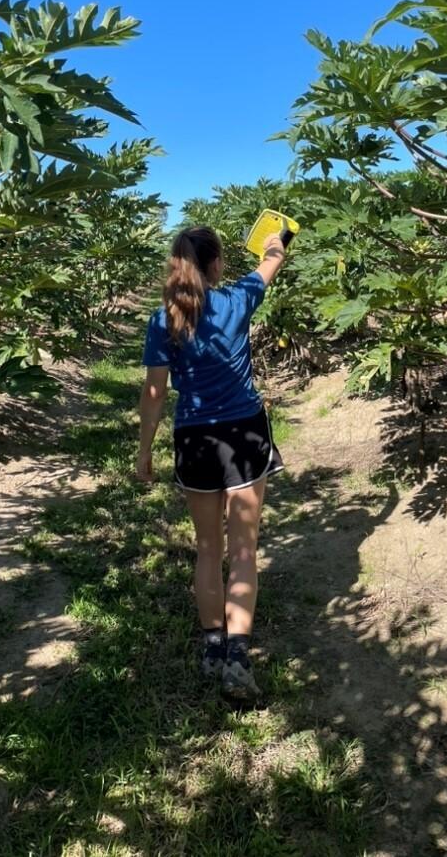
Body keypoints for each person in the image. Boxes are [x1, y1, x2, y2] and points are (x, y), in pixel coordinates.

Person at [136, 225, 287, 700]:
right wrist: (275, 240)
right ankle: (239, 658)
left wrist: (144, 449)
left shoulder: (164, 320)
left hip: (195, 436)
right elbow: (271, 262)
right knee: (243, 550)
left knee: (207, 548)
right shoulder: (237, 299)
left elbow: (155, 391)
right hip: (243, 432)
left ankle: (212, 647)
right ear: (217, 264)